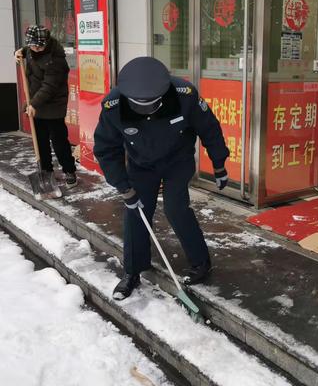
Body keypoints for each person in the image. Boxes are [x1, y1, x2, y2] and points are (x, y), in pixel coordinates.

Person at [93, 57, 229, 300]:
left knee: (176, 208)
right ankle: (132, 271)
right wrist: (124, 188)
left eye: (152, 104)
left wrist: (219, 164)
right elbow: (106, 150)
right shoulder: (113, 107)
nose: (146, 109)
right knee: (137, 211)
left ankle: (200, 263)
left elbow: (209, 128)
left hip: (178, 161)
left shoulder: (184, 95)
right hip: (141, 165)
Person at [15, 26, 77, 189]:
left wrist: (33, 104)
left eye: (39, 46)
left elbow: (49, 86)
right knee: (40, 141)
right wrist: (18, 52)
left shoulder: (56, 59)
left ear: (46, 42)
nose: (35, 48)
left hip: (53, 105)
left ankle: (69, 170)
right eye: (32, 45)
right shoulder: (31, 49)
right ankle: (46, 172)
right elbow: (26, 49)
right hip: (35, 103)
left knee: (59, 142)